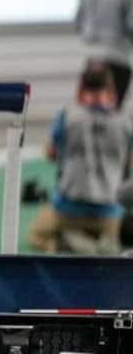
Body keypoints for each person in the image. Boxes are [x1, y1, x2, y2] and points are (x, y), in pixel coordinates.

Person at [29, 63, 133, 254]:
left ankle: (69, 243)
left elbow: (51, 154)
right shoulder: (126, 123)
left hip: (69, 208)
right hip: (109, 211)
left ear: (81, 89)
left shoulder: (67, 116)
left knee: (37, 233)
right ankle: (104, 242)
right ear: (111, 90)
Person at [76, 0, 133, 108]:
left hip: (92, 58)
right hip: (118, 56)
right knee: (114, 111)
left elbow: (79, 22)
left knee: (90, 109)